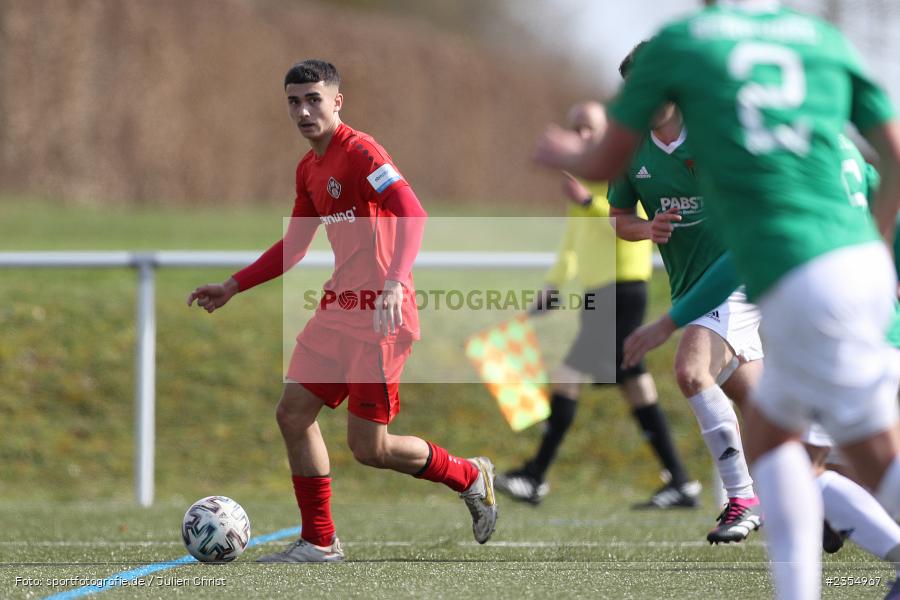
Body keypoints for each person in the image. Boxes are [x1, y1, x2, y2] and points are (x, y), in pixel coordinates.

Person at [534, 2, 900, 598]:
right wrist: (880, 248)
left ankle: (762, 508)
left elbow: (737, 247)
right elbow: (891, 158)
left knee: (848, 447)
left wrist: (568, 155)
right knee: (788, 451)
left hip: (792, 276)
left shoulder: (693, 53)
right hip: (844, 270)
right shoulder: (820, 43)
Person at [187, 59, 498, 562]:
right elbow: (294, 247)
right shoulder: (309, 169)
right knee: (292, 414)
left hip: (380, 317)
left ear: (337, 101)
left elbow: (412, 212)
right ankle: (320, 541)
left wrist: (396, 281)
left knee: (370, 450)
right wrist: (232, 285)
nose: (304, 110)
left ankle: (469, 474)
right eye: (294, 101)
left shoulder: (361, 152)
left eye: (314, 99)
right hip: (336, 311)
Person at [622, 135, 900, 594]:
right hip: (867, 327)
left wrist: (668, 323)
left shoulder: (779, 158)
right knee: (811, 463)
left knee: (790, 464)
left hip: (834, 333)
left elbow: (738, 260)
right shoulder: (846, 149)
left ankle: (749, 502)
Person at [495, 100, 699, 509]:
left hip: (622, 286)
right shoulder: (583, 181)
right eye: (576, 128)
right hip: (597, 292)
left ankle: (536, 475)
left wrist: (589, 204)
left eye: (590, 127)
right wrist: (553, 286)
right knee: (633, 382)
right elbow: (573, 242)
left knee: (568, 374)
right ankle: (680, 480)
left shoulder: (621, 167)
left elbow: (627, 225)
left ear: (607, 130)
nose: (583, 136)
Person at [608, 43, 763, 543]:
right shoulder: (630, 150)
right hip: (689, 286)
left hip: (739, 276)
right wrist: (647, 228)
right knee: (766, 411)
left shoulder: (715, 133)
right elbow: (620, 221)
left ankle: (741, 498)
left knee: (690, 371)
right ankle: (824, 495)